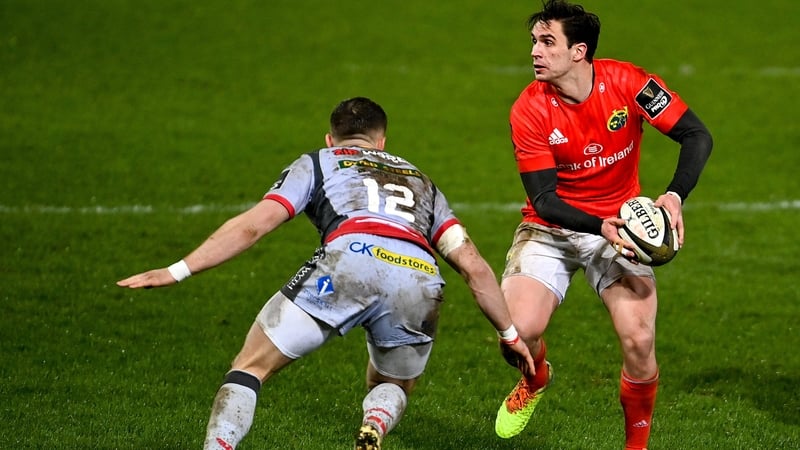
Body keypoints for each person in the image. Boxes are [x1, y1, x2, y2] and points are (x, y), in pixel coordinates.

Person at [117, 97, 534, 450]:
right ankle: (375, 422)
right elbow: (473, 264)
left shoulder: (319, 161)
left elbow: (254, 225)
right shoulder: (423, 182)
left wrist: (177, 270)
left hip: (350, 259)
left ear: (330, 139)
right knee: (391, 383)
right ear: (382, 142)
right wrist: (510, 335)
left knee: (250, 366)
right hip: (418, 275)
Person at [492, 1, 713, 449]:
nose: (535, 51)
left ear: (579, 51)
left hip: (623, 224)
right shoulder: (529, 109)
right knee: (516, 332)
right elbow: (545, 201)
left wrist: (674, 195)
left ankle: (636, 446)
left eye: (547, 42)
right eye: (534, 41)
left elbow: (696, 135)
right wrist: (601, 226)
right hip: (552, 229)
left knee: (639, 338)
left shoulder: (630, 83)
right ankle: (535, 378)